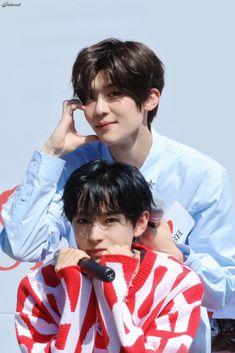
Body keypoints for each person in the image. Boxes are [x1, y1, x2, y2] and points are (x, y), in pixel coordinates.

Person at [0, 38, 235, 351]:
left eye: (114, 94)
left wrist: (177, 255)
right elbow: (21, 244)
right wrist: (50, 152)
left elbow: (225, 291)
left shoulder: (201, 176)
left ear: (151, 98)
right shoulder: (73, 167)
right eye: (88, 97)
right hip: (87, 340)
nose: (98, 110)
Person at [15, 160, 204, 353]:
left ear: (140, 222)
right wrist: (75, 289)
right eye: (83, 221)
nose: (94, 236)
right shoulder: (39, 285)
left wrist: (115, 286)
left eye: (110, 220)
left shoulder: (176, 282)